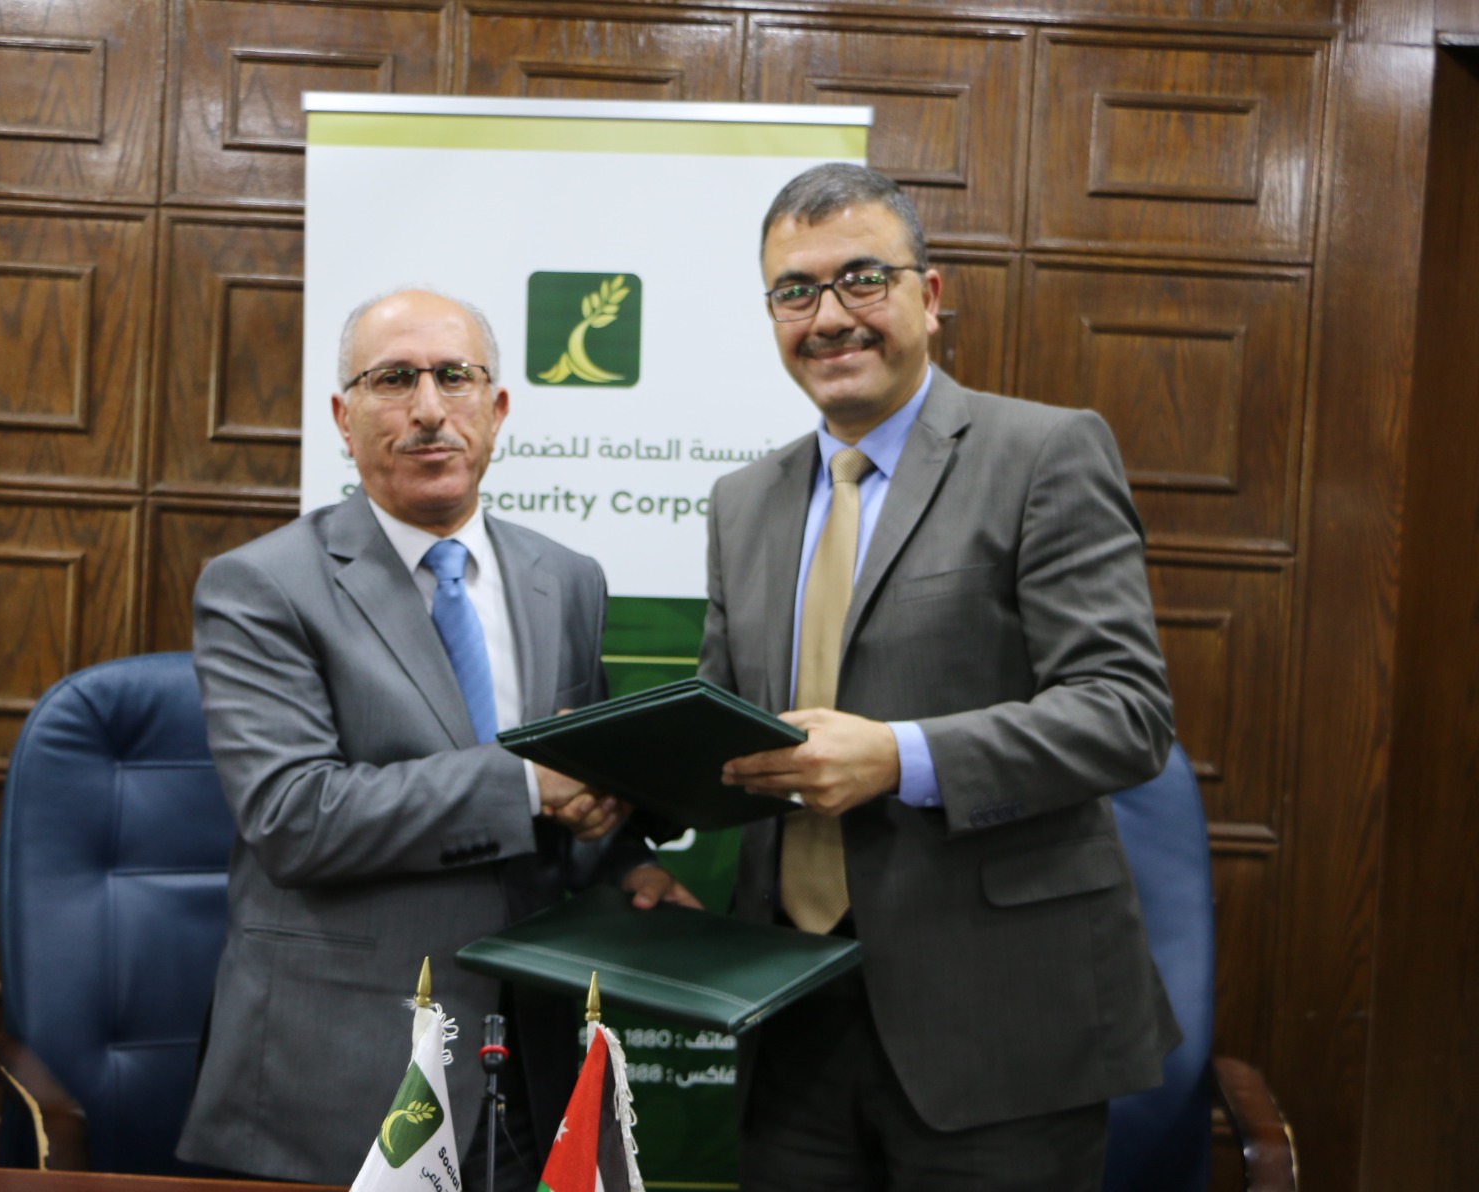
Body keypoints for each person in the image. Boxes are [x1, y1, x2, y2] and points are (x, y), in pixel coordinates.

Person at [700, 164, 1180, 1190]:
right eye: (796, 291)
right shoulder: (742, 503)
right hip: (792, 1025)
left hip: (999, 1024)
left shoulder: (1043, 452)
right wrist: (630, 805)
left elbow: (1125, 714)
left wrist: (899, 757)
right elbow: (729, 727)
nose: (830, 317)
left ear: (929, 294)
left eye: (862, 279)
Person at [177, 288, 695, 1190]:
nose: (427, 408)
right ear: (342, 417)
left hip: (527, 1068)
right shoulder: (260, 585)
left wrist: (621, 864)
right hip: (338, 1076)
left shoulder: (566, 579)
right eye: (392, 380)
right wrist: (529, 783)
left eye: (455, 377)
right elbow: (293, 817)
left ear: (496, 409)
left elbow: (569, 789)